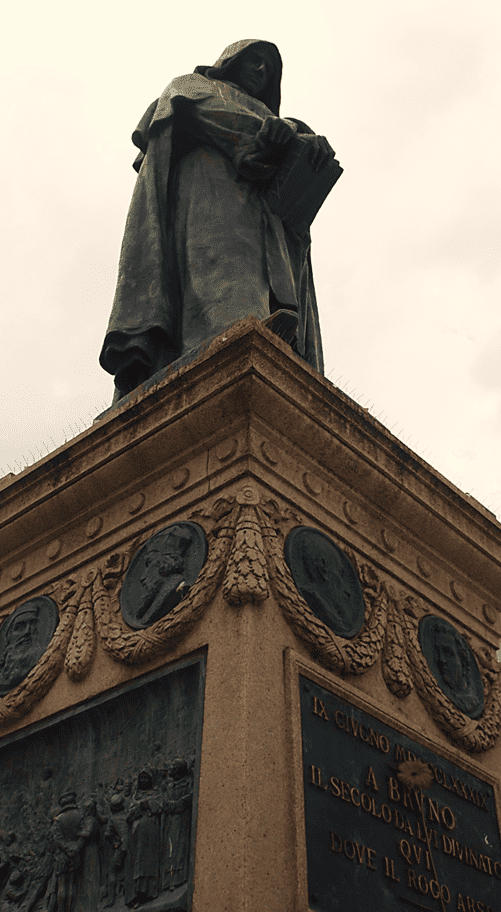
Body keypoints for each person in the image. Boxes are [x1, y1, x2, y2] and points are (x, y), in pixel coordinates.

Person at [100, 40, 336, 402]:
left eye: (268, 69)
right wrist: (272, 134)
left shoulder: (277, 121)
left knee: (263, 291)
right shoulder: (194, 86)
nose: (261, 70)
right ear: (229, 61)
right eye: (254, 61)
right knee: (224, 284)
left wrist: (302, 141)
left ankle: (267, 343)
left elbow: (285, 148)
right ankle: (221, 347)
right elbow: (199, 110)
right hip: (212, 194)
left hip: (267, 219)